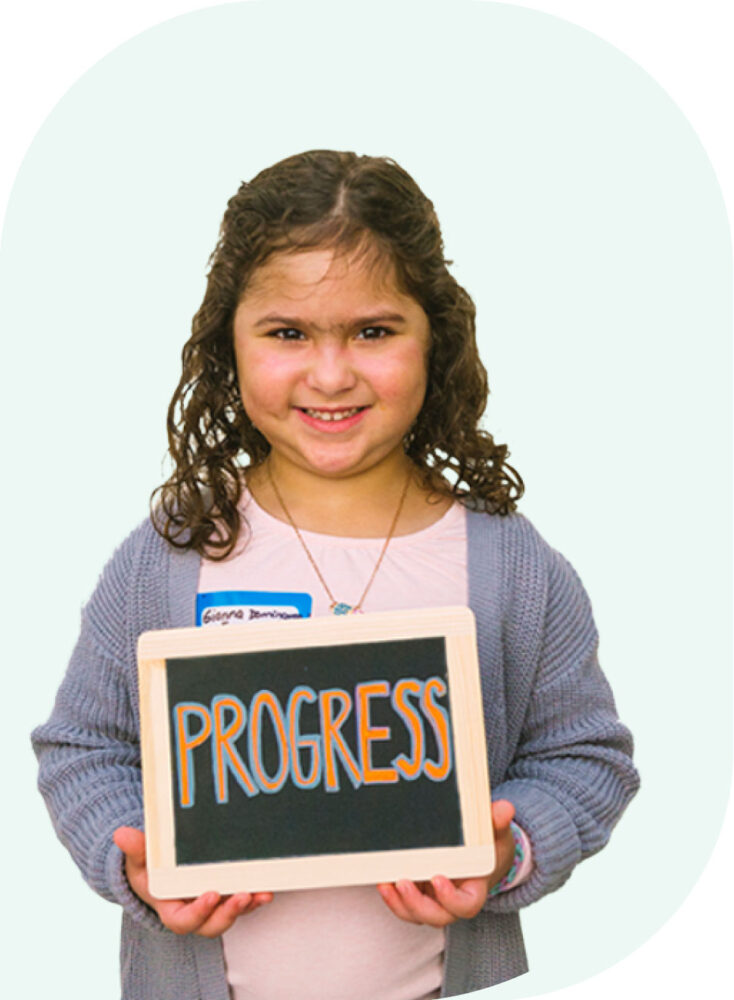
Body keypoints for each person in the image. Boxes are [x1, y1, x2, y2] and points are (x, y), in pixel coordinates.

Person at [32, 149, 639, 1000]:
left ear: (436, 339)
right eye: (287, 333)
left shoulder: (513, 569)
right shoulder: (168, 557)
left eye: (374, 331)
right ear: (228, 344)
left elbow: (585, 756)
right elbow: (86, 746)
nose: (330, 374)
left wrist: (512, 847)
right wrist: (136, 854)